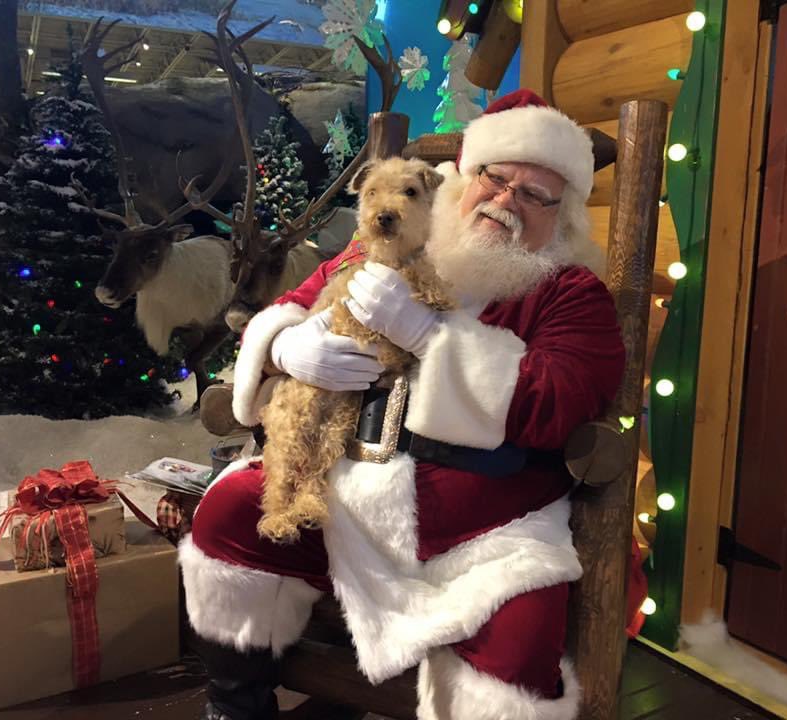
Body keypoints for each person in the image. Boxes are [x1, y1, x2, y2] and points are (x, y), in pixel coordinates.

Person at [179, 89, 626, 720]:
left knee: (519, 650)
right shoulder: (393, 244)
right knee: (228, 514)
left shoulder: (571, 293)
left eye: (535, 194)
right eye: (494, 178)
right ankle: (236, 708)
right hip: (343, 497)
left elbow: (558, 401)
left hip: (485, 533)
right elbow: (293, 305)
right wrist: (286, 348)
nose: (506, 202)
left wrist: (431, 336)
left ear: (564, 217)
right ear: (462, 179)